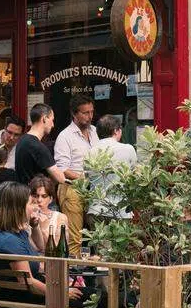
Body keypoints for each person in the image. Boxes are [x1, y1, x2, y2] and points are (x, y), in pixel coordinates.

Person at [0, 181, 82, 302]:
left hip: (40, 296)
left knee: (97, 297)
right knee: (98, 303)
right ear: (18, 207)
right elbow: (28, 283)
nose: (35, 206)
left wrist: (34, 225)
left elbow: (40, 246)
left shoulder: (17, 234)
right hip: (31, 305)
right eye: (31, 202)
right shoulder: (9, 241)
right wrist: (61, 292)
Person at [53, 94, 97, 257]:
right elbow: (62, 168)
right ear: (74, 114)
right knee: (75, 237)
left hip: (92, 190)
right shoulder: (65, 136)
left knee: (94, 235)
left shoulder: (94, 131)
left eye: (91, 112)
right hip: (72, 189)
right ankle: (74, 278)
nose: (90, 116)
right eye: (85, 113)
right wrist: (84, 179)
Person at [88, 114, 138, 222]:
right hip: (121, 210)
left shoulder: (90, 152)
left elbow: (88, 178)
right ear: (116, 131)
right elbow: (136, 176)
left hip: (96, 210)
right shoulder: (128, 149)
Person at [14, 104, 65, 188]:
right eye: (52, 120)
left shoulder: (22, 140)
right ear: (44, 119)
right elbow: (61, 178)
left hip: (23, 194)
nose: (53, 125)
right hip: (36, 197)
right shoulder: (37, 146)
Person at [29, 176, 69, 255]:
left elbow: (59, 250)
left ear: (50, 199)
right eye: (36, 196)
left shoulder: (60, 218)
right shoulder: (25, 217)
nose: (39, 200)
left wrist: (42, 226)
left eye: (44, 196)